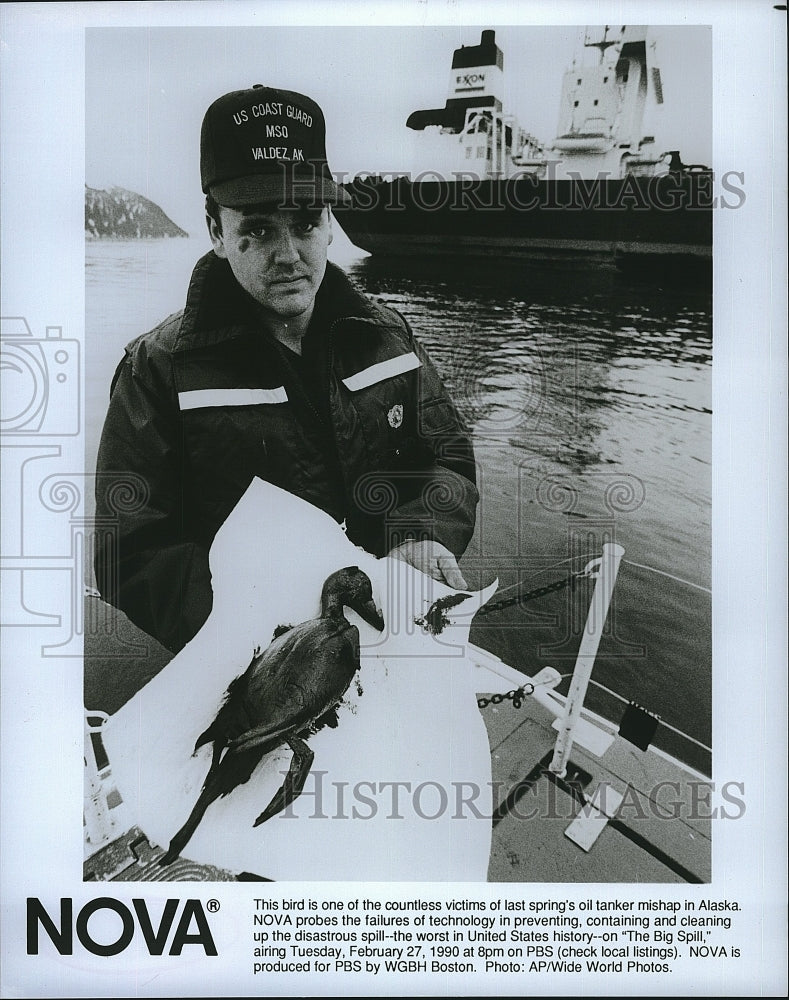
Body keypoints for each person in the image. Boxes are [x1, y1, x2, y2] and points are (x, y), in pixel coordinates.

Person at [94, 84, 478, 654]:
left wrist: (421, 535)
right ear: (216, 230)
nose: (288, 254)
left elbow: (447, 460)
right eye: (258, 228)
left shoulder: (389, 338)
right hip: (255, 661)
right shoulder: (156, 372)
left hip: (390, 634)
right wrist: (260, 622)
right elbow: (129, 551)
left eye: (304, 222)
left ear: (329, 222)